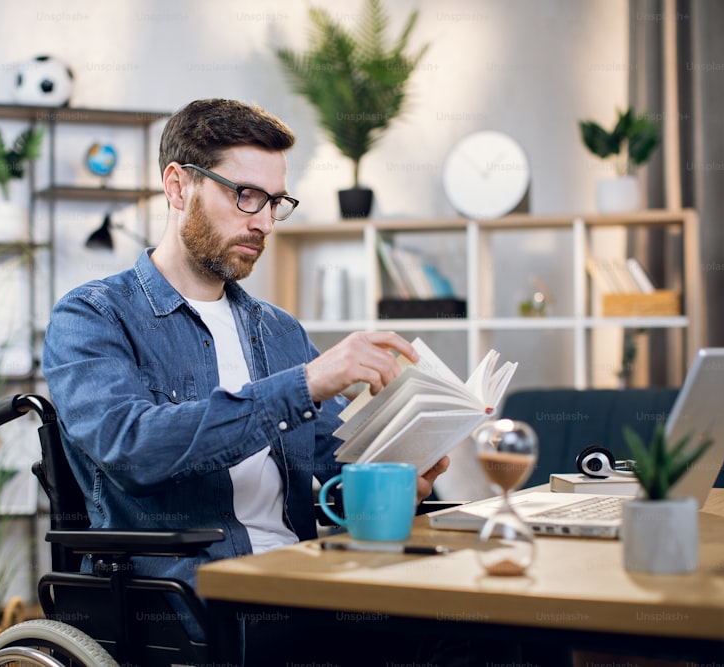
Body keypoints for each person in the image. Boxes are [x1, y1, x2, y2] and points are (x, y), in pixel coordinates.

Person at [41, 98, 451, 664]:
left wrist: (399, 476)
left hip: (305, 579)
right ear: (178, 186)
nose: (262, 221)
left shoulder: (279, 332)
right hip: (193, 600)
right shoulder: (93, 317)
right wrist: (305, 384)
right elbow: (131, 446)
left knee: (494, 624)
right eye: (245, 195)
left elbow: (335, 469)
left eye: (274, 202)